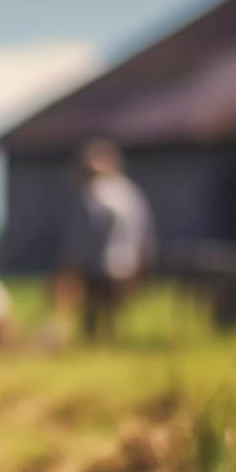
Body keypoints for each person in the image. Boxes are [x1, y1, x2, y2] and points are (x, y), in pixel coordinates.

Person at [55, 139, 156, 342]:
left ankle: (94, 346)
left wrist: (70, 263)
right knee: (113, 313)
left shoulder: (93, 193)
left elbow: (85, 234)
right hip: (125, 264)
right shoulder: (130, 192)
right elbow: (145, 231)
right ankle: (108, 344)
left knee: (93, 313)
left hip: (98, 266)